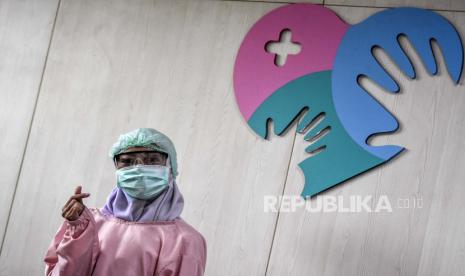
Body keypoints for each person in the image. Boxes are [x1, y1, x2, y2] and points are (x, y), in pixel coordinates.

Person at [43, 128, 207, 276]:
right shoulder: (85, 222)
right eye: (127, 161)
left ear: (171, 167)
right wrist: (78, 232)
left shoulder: (186, 241)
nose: (139, 168)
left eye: (152, 160)